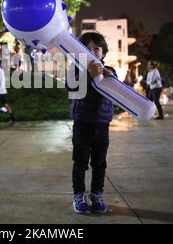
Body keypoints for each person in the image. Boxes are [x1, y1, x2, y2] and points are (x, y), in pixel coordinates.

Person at [65, 32, 116, 214]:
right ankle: (79, 195)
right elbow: (71, 88)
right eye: (87, 48)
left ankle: (97, 195)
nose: (92, 51)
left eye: (96, 48)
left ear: (103, 52)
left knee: (100, 163)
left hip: (102, 123)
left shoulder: (110, 70)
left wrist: (110, 78)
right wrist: (90, 75)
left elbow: (116, 93)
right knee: (80, 162)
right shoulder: (76, 69)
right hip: (82, 122)